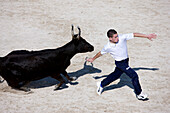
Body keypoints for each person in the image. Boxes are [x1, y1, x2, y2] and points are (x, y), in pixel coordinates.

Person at [86, 29, 157, 100]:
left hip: (126, 61)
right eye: (115, 37)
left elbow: (134, 34)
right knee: (134, 75)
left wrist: (147, 36)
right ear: (110, 38)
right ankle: (139, 94)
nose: (117, 38)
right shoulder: (108, 47)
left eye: (117, 36)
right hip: (120, 63)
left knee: (115, 75)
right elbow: (100, 53)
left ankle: (101, 84)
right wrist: (93, 59)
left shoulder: (122, 37)